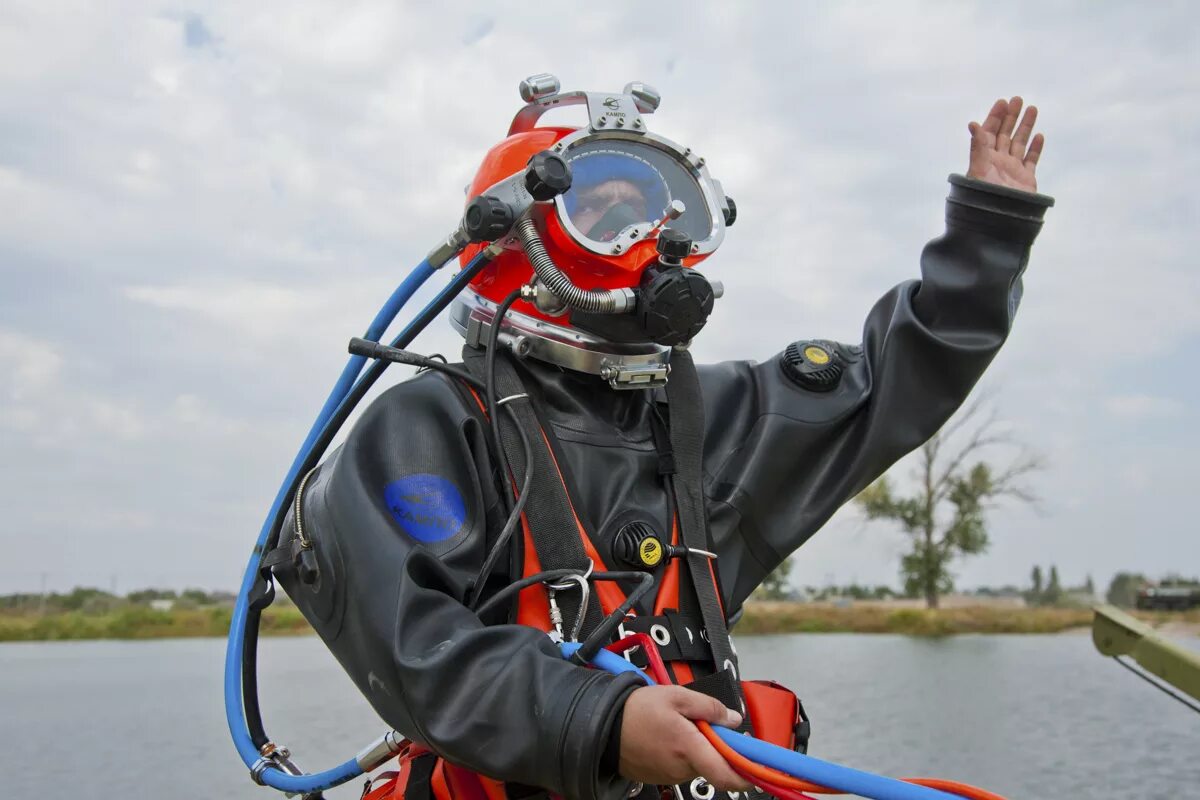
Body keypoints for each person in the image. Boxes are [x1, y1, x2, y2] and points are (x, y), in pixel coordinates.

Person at [272, 80, 1053, 800]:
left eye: (671, 209)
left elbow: (891, 385)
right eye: (606, 211)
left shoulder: (711, 416)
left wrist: (986, 238)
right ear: (517, 236)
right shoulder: (428, 427)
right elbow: (420, 652)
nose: (653, 234)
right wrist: (604, 722)